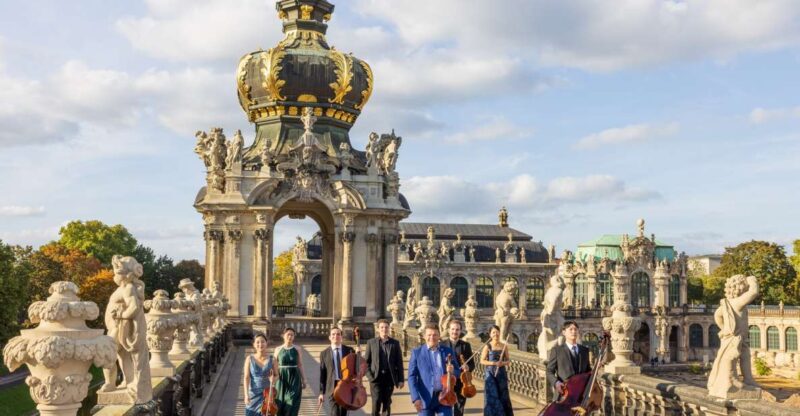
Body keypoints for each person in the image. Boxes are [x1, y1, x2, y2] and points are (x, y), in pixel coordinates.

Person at [408, 324, 460, 416]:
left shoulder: (447, 351)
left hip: (445, 396)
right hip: (425, 398)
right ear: (424, 336)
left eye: (435, 335)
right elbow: (411, 377)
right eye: (429, 335)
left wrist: (453, 371)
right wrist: (415, 398)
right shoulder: (417, 353)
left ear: (439, 336)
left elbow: (457, 371)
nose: (432, 337)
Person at [364, 319, 404, 416]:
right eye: (382, 327)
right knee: (376, 401)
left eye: (386, 327)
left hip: (389, 378)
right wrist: (370, 377)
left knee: (387, 403)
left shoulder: (395, 343)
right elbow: (366, 363)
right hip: (375, 378)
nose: (384, 329)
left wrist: (401, 379)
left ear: (389, 329)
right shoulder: (371, 342)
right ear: (378, 329)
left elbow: (399, 363)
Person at [546, 321, 591, 401]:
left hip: (581, 395)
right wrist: (556, 383)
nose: (574, 331)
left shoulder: (584, 350)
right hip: (563, 394)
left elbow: (588, 371)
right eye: (570, 329)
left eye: (575, 329)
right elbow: (549, 371)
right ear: (564, 332)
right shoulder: (557, 350)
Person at [439, 320, 474, 416]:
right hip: (446, 380)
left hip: (461, 380)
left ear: (460, 331)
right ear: (449, 330)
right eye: (453, 329)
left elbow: (472, 364)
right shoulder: (441, 344)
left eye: (457, 329)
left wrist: (468, 367)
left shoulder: (466, 345)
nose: (455, 332)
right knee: (446, 406)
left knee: (459, 407)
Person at [318, 326, 355, 416]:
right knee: (334, 413)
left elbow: (355, 368)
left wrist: (358, 353)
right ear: (330, 337)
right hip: (332, 386)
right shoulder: (324, 353)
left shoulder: (349, 350)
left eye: (338, 334)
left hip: (345, 385)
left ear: (341, 337)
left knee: (343, 412)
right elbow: (323, 374)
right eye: (333, 334)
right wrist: (321, 393)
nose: (336, 336)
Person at [480, 325, 514, 416]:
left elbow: (508, 361)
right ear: (490, 334)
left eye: (497, 332)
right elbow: (482, 361)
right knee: (492, 396)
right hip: (490, 373)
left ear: (499, 333)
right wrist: (494, 363)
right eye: (493, 332)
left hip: (501, 374)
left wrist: (502, 363)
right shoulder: (487, 346)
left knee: (503, 396)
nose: (496, 334)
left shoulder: (504, 346)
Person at [274, 327, 307, 416]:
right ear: (283, 336)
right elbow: (274, 365)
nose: (290, 336)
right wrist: (273, 378)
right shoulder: (277, 349)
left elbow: (300, 364)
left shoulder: (297, 349)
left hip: (294, 379)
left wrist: (304, 379)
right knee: (280, 403)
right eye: (288, 334)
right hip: (281, 379)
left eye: (292, 335)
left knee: (292, 403)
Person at [243, 333, 275, 416]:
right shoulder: (249, 359)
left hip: (267, 395)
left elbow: (277, 374)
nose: (260, 344)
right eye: (257, 342)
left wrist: (274, 379)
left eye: (262, 342)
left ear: (266, 343)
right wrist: (246, 395)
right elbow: (246, 378)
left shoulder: (273, 359)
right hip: (253, 394)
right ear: (254, 344)